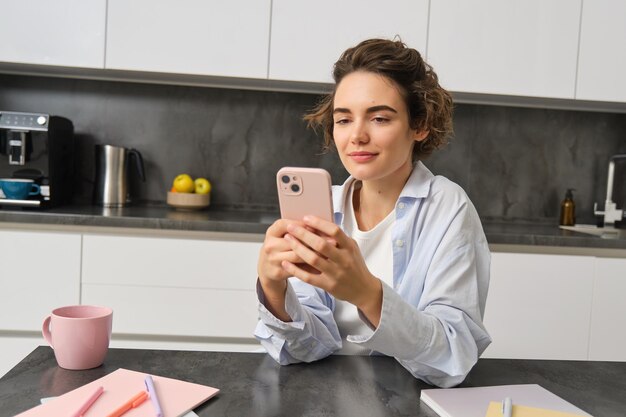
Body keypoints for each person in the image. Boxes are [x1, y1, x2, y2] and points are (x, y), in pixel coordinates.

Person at [254, 38, 491, 388]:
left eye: (379, 118)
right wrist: (272, 289)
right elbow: (307, 349)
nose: (357, 136)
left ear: (419, 125)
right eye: (344, 119)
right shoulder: (324, 209)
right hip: (324, 399)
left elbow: (451, 358)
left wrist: (366, 293)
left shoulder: (448, 208)